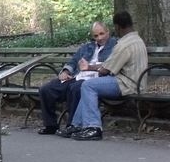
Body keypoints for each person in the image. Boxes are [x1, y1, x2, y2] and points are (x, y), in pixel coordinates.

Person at [62, 11, 147, 141]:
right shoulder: (136, 39)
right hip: (136, 81)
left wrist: (90, 68)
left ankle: (93, 127)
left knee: (88, 85)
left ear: (117, 27)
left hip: (127, 84)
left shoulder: (124, 45)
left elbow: (105, 70)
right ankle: (76, 125)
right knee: (89, 86)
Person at [37, 22, 117, 135]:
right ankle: (50, 125)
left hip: (95, 80)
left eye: (102, 34)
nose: (99, 38)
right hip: (77, 76)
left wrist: (90, 67)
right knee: (46, 89)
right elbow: (73, 61)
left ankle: (72, 126)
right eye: (95, 35)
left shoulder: (115, 46)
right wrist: (66, 71)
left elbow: (110, 65)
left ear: (108, 32)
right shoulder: (87, 47)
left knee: (75, 88)